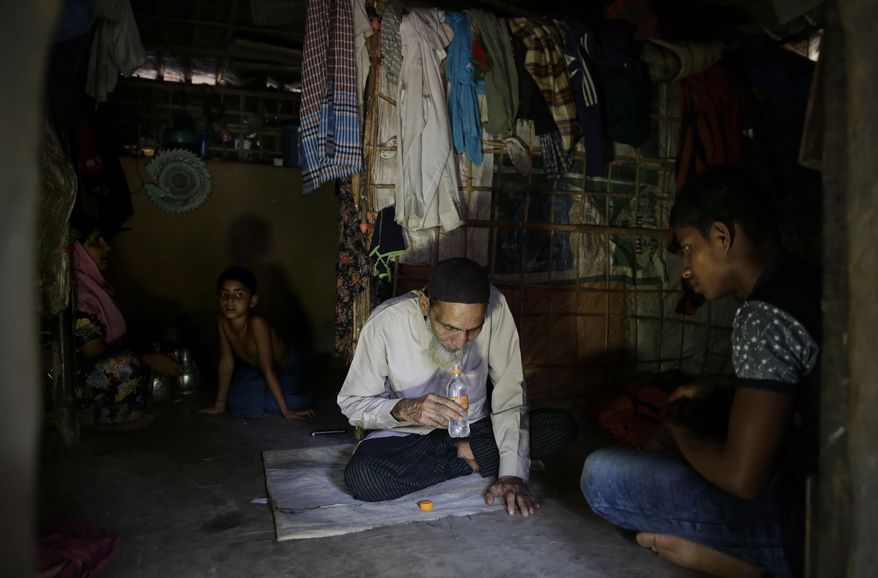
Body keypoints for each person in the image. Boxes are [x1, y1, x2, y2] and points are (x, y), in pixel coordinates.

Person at [581, 166, 820, 578]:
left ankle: (757, 564)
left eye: (689, 248)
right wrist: (724, 385)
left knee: (602, 476)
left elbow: (741, 478)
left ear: (723, 237)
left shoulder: (762, 315)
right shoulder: (804, 280)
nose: (686, 269)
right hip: (839, 494)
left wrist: (677, 435)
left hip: (808, 521)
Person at [337, 257, 577, 515]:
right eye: (449, 328)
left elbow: (510, 395)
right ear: (425, 303)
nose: (461, 342)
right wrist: (404, 409)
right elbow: (352, 403)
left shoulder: (496, 307)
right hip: (412, 435)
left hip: (475, 428)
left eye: (473, 330)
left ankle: (470, 452)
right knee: (364, 476)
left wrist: (512, 475)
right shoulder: (387, 323)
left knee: (561, 427)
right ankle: (475, 458)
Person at [71, 214, 182, 430]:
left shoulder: (95, 288)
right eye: (97, 241)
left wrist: (149, 351)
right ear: (77, 252)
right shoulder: (79, 295)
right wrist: (149, 359)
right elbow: (94, 353)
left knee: (150, 342)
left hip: (101, 366)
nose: (108, 248)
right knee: (127, 363)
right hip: (74, 380)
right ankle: (97, 415)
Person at [200, 267, 315, 420]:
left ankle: (305, 395)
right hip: (254, 368)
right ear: (217, 299)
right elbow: (227, 360)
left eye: (239, 294)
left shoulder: (257, 323)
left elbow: (269, 369)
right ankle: (267, 395)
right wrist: (219, 404)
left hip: (283, 368)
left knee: (271, 404)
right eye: (224, 294)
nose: (230, 300)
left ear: (252, 301)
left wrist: (286, 412)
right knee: (236, 404)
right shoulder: (221, 319)